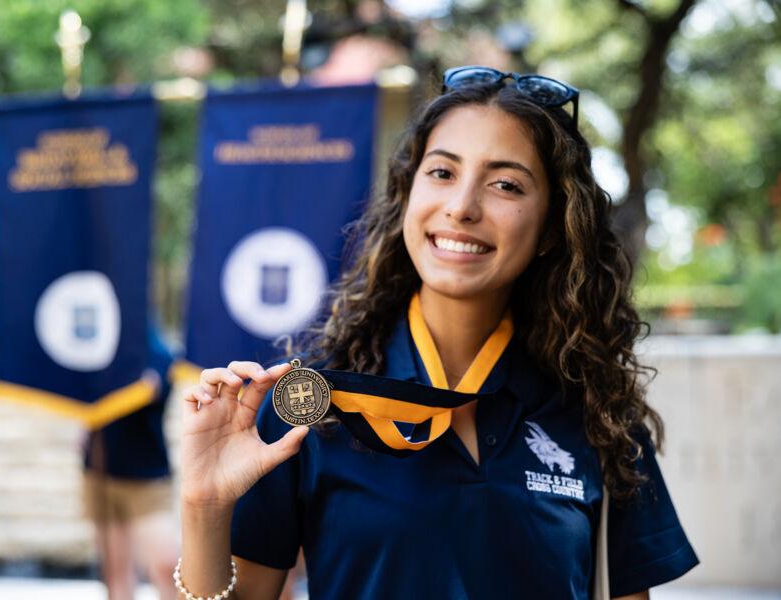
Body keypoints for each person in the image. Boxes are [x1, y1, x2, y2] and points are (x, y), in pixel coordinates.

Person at [177, 66, 700, 599]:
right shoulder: (310, 402)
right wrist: (205, 506)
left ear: (550, 227)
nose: (462, 207)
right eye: (443, 173)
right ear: (408, 195)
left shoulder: (599, 410)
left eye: (506, 184)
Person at [82, 324, 180, 600]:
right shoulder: (98, 336)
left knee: (166, 567)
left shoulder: (154, 347)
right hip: (100, 470)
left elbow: (148, 388)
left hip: (146, 475)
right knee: (115, 570)